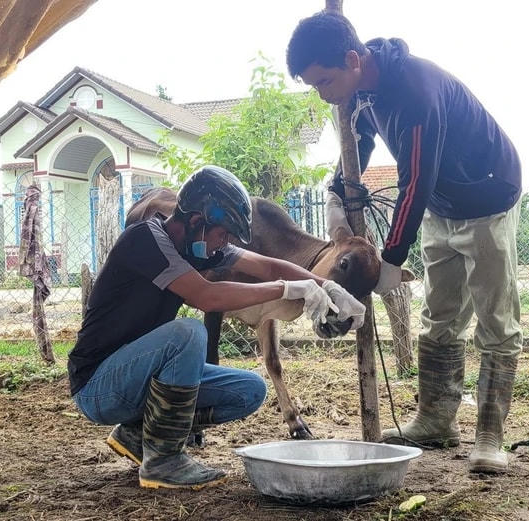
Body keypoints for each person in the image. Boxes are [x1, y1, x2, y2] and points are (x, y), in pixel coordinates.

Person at [287, 11, 523, 474]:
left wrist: (391, 261)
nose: (323, 94)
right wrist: (337, 192)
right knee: (440, 314)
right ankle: (436, 420)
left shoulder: (415, 91)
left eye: (324, 81)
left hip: (487, 196)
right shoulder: (362, 91)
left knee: (495, 318)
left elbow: (414, 180)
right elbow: (358, 144)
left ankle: (490, 436)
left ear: (352, 59)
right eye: (314, 86)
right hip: (442, 204)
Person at [68, 165, 366, 489]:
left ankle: (138, 433)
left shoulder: (197, 245)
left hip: (138, 378)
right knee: (188, 333)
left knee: (248, 391)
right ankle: (163, 461)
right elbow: (207, 297)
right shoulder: (145, 240)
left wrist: (327, 287)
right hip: (98, 386)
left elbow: (267, 266)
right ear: (197, 221)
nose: (224, 243)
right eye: (223, 234)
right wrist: (287, 289)